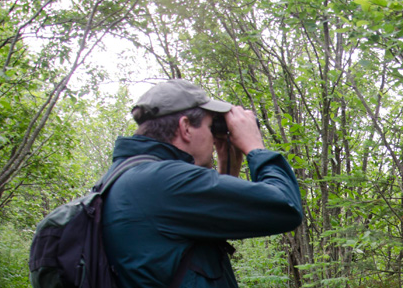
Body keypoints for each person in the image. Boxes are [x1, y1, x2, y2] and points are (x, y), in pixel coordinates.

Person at [101, 79, 304, 287]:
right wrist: (255, 148)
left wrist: (227, 165)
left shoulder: (128, 178)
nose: (213, 136)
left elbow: (212, 228)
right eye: (210, 127)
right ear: (186, 127)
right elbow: (286, 206)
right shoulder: (164, 181)